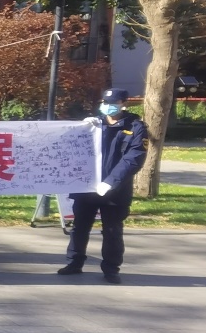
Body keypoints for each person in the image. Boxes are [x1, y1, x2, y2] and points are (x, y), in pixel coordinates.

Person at [59, 88, 148, 284]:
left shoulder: (136, 127)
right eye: (105, 102)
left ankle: (111, 268)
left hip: (115, 190)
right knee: (79, 228)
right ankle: (74, 262)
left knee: (112, 231)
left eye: (113, 103)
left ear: (124, 103)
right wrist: (80, 130)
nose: (108, 106)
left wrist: (111, 182)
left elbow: (134, 158)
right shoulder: (93, 124)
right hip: (87, 188)